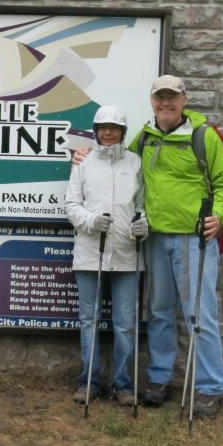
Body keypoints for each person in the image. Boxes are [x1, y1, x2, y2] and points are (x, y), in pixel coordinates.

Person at [130, 75, 223, 418]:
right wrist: (86, 158)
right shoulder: (145, 137)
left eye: (172, 97)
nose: (166, 103)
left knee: (199, 316)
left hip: (195, 240)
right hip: (157, 238)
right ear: (152, 101)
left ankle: (210, 388)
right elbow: (120, 166)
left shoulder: (203, 135)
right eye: (160, 97)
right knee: (159, 312)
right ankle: (160, 378)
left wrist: (218, 216)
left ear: (183, 99)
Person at [65, 105, 147, 406]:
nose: (108, 132)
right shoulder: (83, 163)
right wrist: (91, 221)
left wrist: (143, 225)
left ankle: (123, 385)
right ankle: (88, 381)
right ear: (95, 131)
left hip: (126, 252)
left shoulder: (136, 163)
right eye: (102, 127)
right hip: (90, 251)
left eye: (114, 127)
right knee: (89, 320)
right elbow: (71, 205)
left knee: (125, 324)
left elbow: (143, 204)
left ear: (123, 132)